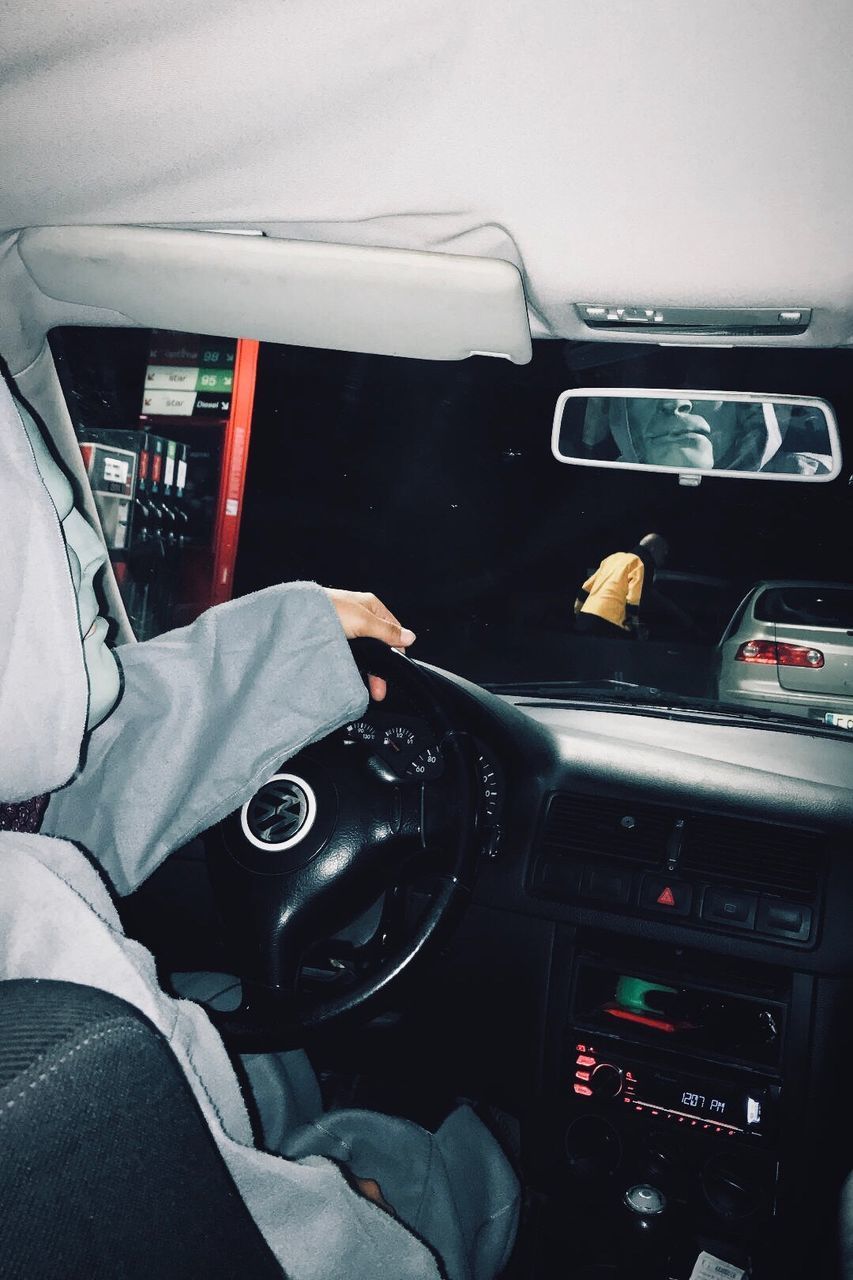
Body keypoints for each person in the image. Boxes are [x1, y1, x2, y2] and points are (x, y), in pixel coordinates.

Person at [0, 374, 520, 1280]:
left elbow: (69, 799)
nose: (83, 546)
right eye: (40, 521)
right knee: (454, 1161)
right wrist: (350, 1223)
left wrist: (290, 646)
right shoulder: (43, 957)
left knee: (251, 1043)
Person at [573, 532, 669, 639]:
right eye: (663, 553)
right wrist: (636, 629)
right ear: (653, 548)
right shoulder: (643, 563)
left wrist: (579, 615)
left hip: (585, 623)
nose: (663, 559)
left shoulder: (614, 558)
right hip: (609, 629)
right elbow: (635, 600)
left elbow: (586, 588)